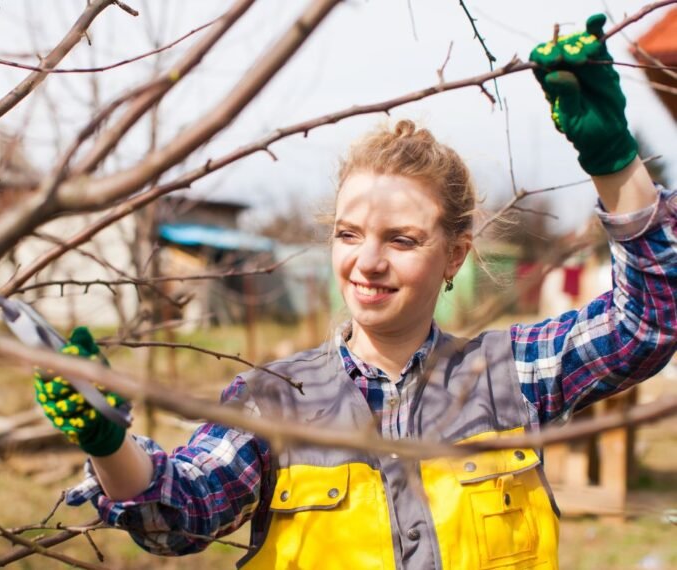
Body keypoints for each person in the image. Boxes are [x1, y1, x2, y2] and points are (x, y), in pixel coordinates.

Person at [34, 15, 676, 569]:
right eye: (349, 234)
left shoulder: (510, 376)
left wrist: (616, 164)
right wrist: (108, 442)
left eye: (402, 239)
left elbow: (646, 325)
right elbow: (180, 512)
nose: (367, 262)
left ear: (454, 255)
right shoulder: (273, 402)